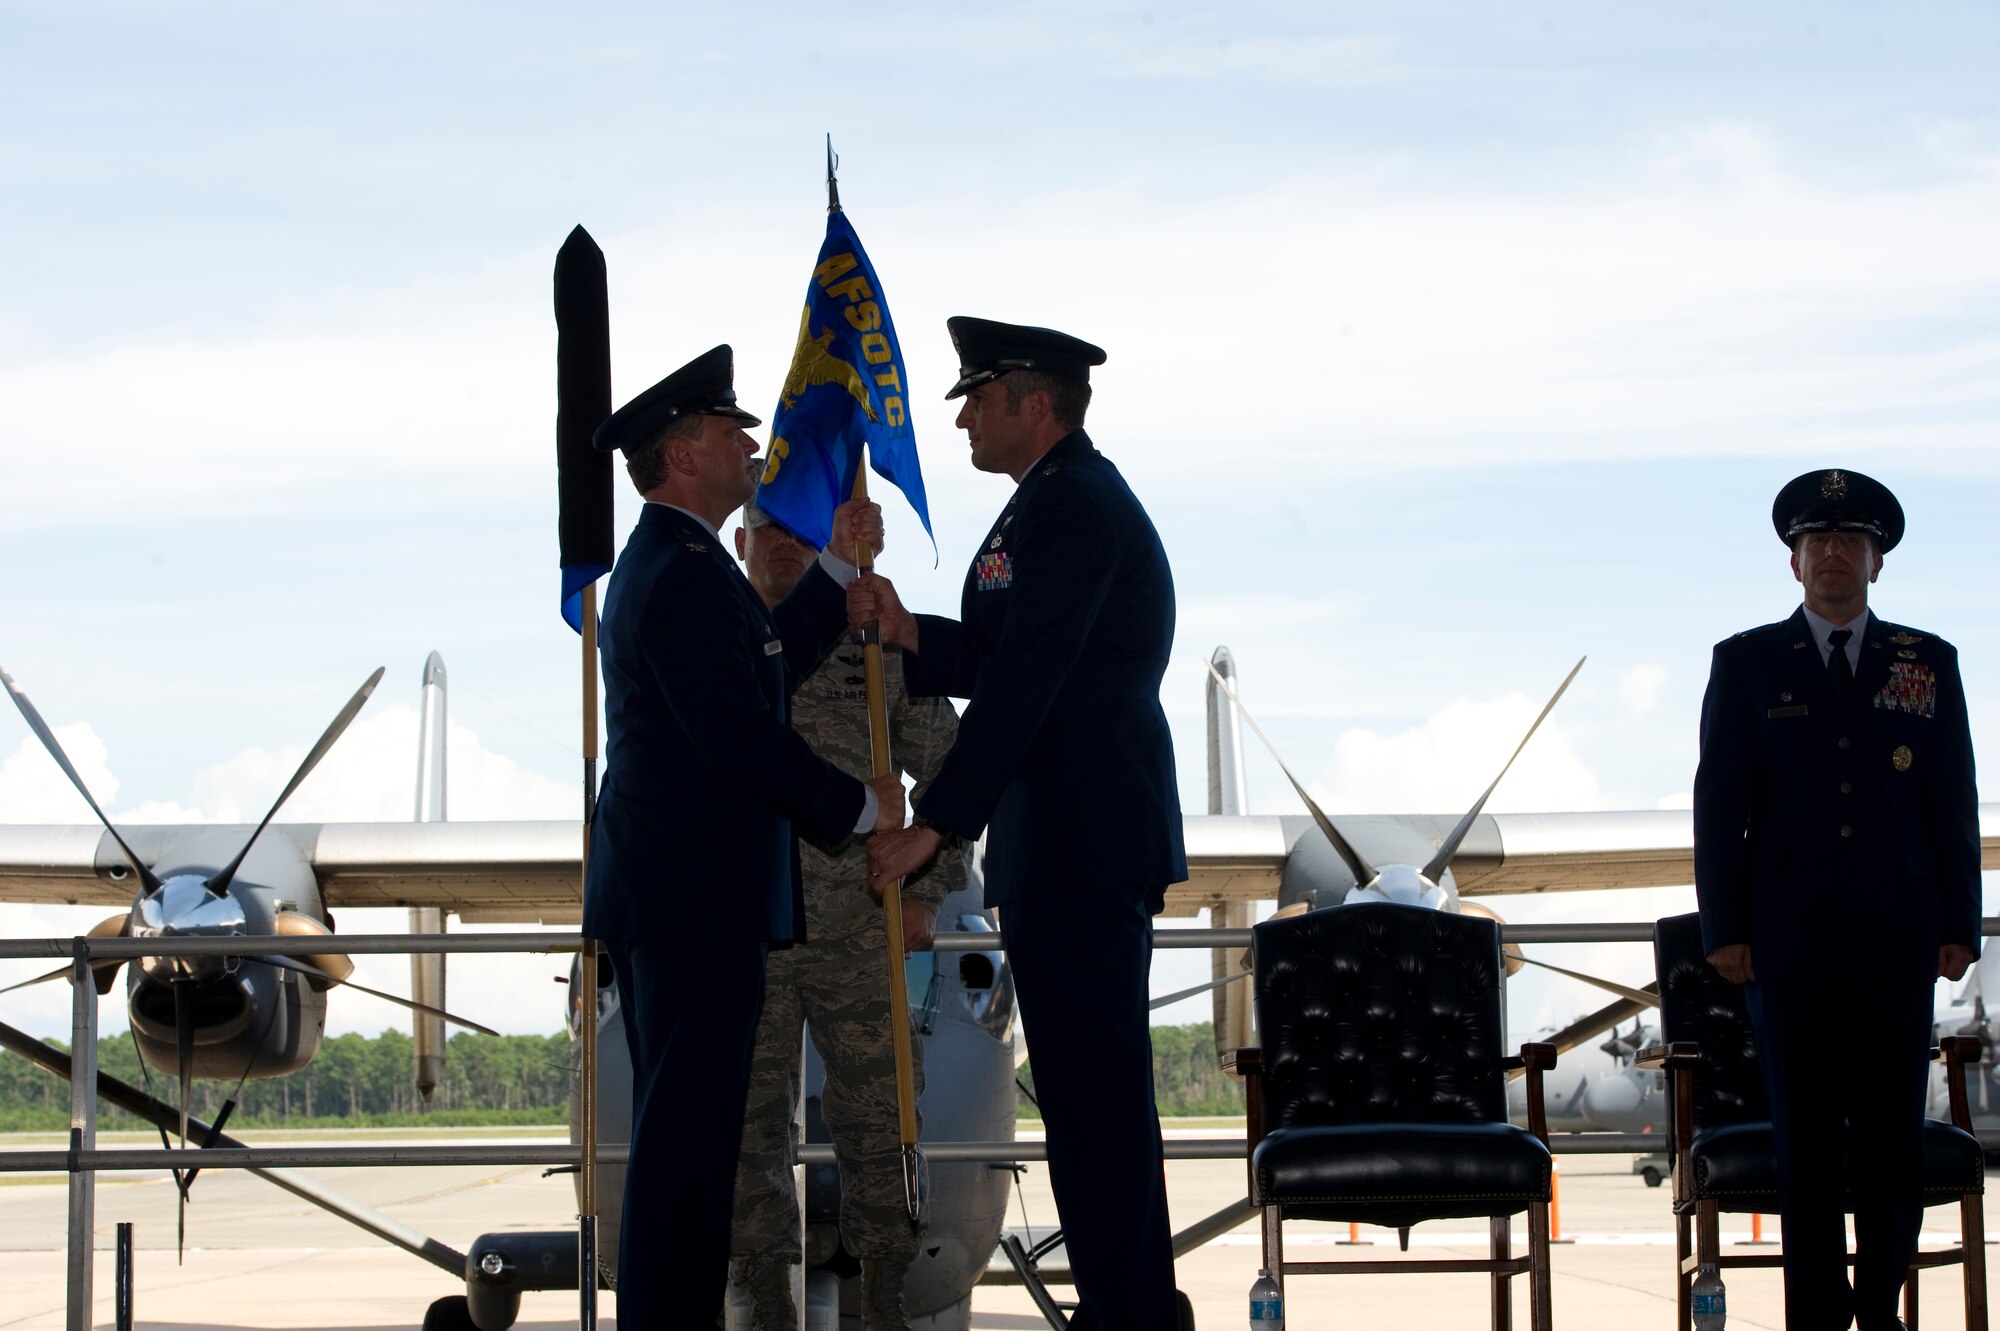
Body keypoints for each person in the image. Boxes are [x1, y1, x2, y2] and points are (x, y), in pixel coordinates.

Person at [853, 317, 1188, 1329]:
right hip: (1059, 840)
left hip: (1086, 836)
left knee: (1097, 1105)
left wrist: (936, 822)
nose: (959, 413)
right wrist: (912, 636)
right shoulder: (1039, 509)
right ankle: (1123, 1307)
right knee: (1087, 1106)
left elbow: (1032, 681)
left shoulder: (1074, 508)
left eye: (976, 393)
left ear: (1030, 402)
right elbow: (1004, 653)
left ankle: (1131, 1312)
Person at [582, 343, 904, 1329]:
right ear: (682, 453)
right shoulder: (678, 575)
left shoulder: (683, 567)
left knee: (694, 1143)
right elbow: (737, 735)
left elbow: (762, 662)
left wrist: (840, 564)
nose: (750, 447)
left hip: (693, 897)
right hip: (692, 901)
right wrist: (861, 806)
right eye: (731, 433)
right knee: (685, 1147)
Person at [1693, 467, 1980, 1331]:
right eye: (1816, 541)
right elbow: (1720, 805)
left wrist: (1959, 923)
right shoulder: (1745, 663)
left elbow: (1953, 801)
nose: (1832, 554)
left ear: (1876, 562)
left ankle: (1880, 1309)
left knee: (1895, 1142)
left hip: (1899, 938)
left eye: (1850, 541)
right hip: (1787, 946)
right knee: (1806, 1141)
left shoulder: (1926, 663)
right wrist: (1726, 930)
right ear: (1793, 562)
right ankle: (1815, 1315)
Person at [728, 496, 967, 1330]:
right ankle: (763, 1303)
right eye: (772, 530)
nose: (788, 546)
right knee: (746, 1133)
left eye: (804, 529)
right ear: (740, 538)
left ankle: (887, 1300)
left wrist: (930, 886)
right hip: (745, 934)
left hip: (859, 928)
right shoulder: (717, 645)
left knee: (882, 1120)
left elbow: (947, 766)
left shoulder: (868, 635)